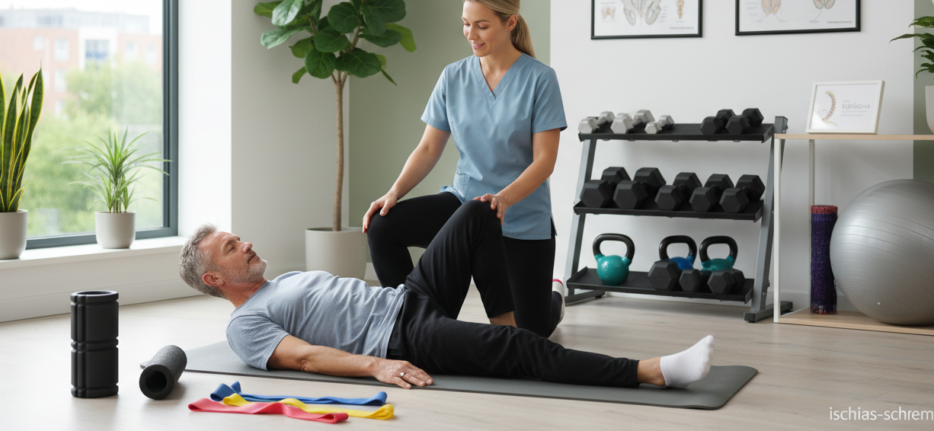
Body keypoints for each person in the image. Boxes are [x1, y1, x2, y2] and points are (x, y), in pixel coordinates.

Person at [178, 200, 714, 390]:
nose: (246, 244)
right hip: (400, 337)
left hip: (406, 297)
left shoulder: (284, 280)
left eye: (239, 238)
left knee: (476, 212)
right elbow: (306, 358)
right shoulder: (244, 325)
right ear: (214, 279)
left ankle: (506, 325)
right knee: (519, 351)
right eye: (232, 248)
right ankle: (650, 371)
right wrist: (377, 367)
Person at [364, 0, 567, 338]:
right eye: (466, 23)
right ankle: (409, 321)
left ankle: (555, 298)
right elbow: (428, 148)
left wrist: (503, 199)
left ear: (510, 23)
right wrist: (393, 193)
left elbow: (544, 162)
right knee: (382, 225)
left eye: (482, 25)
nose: (471, 34)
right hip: (463, 205)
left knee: (530, 335)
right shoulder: (453, 76)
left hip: (520, 217)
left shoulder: (540, 80)